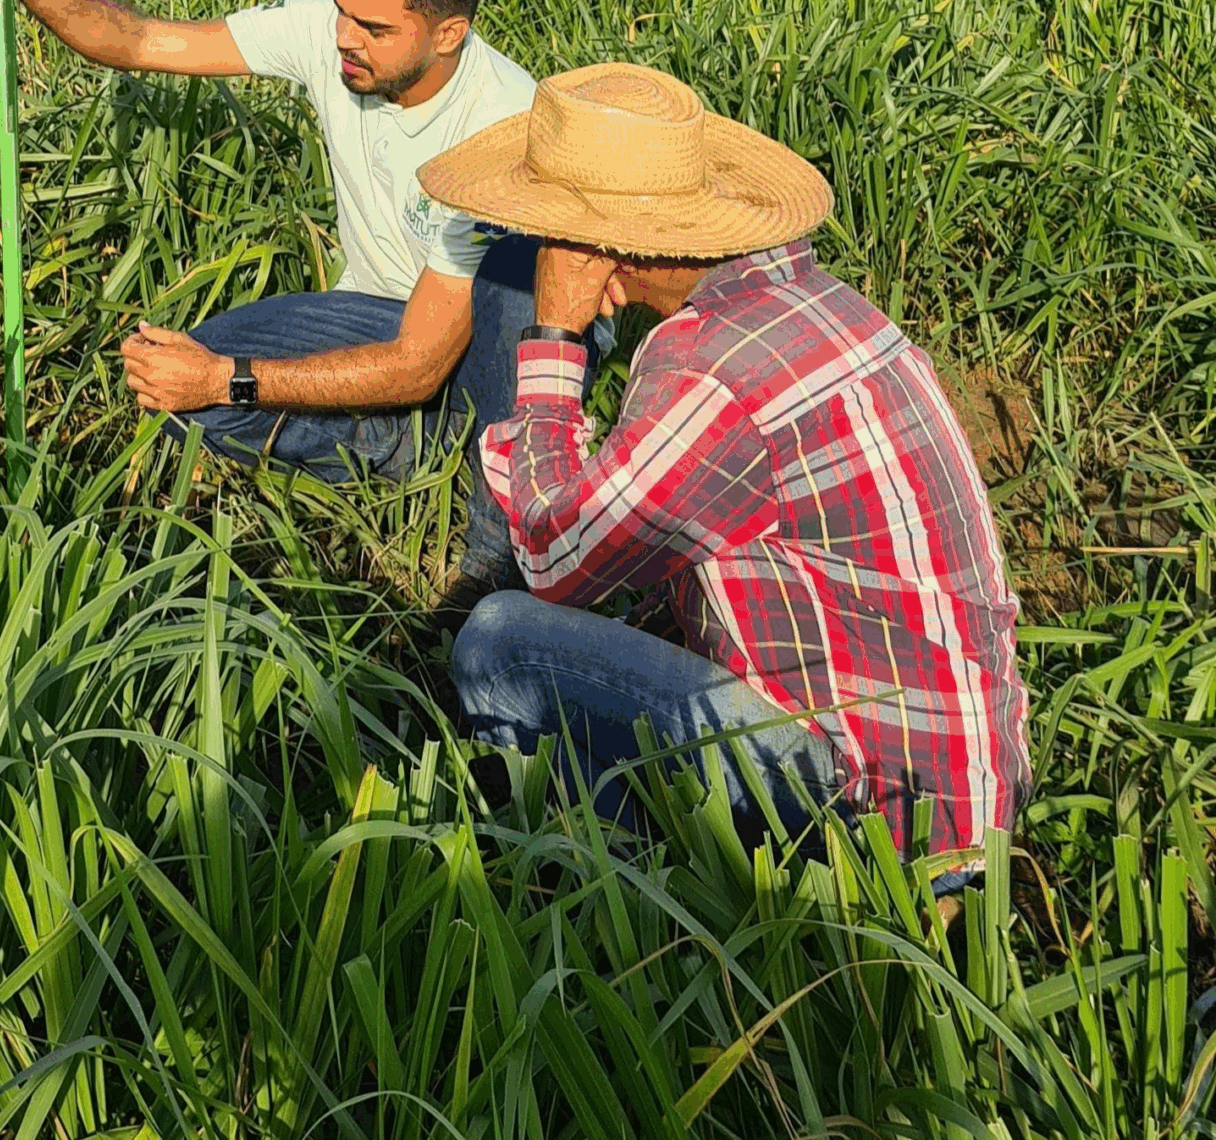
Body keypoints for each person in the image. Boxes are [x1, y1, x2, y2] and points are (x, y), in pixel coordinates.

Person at [419, 62, 1028, 874]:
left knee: (502, 642)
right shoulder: (824, 305)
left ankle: (610, 900)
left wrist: (558, 338)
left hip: (868, 812)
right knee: (614, 634)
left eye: (551, 232)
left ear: (594, 246)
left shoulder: (708, 366)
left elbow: (555, 561)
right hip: (954, 783)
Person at [0, 0, 537, 583]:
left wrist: (225, 381)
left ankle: (495, 553)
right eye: (342, 13)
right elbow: (144, 41)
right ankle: (412, 452)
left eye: (376, 30)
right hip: (381, 312)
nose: (345, 41)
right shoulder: (334, 36)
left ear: (449, 34)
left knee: (218, 381)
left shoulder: (500, 126)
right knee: (177, 391)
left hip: (493, 344)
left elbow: (420, 360)